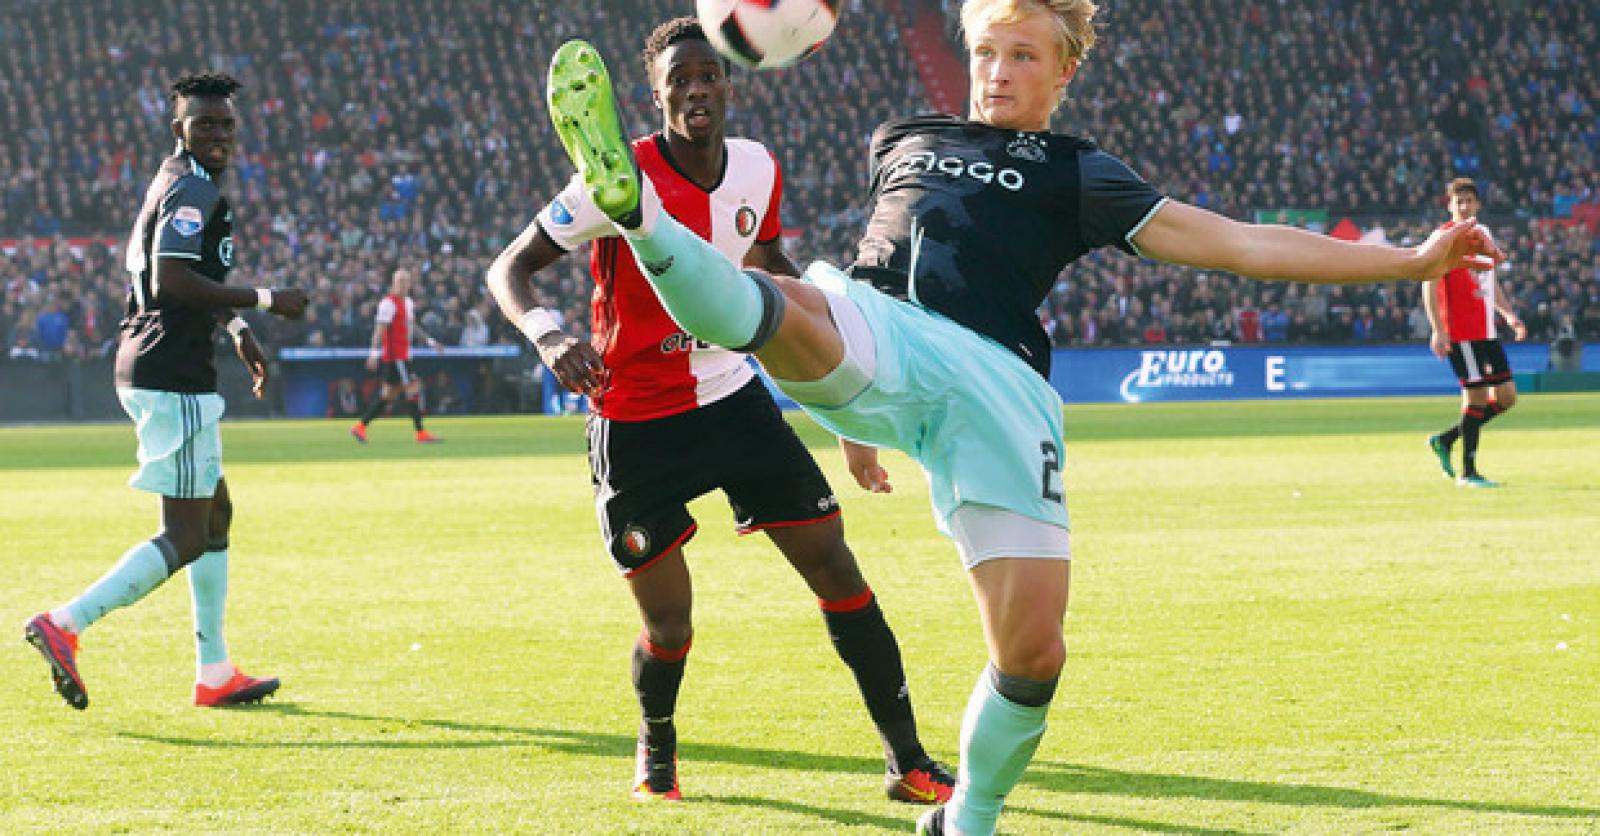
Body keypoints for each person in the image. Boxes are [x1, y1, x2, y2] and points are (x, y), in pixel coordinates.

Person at [541, 1, 1502, 831]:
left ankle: (968, 818)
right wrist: (839, 412)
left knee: (1033, 650)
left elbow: (1239, 244)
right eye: (988, 52)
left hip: (998, 386)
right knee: (784, 305)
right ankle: (644, 219)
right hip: (878, 327)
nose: (998, 72)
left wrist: (1412, 262)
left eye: (1024, 54)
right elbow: (834, 287)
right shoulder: (903, 138)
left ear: (1064, 67)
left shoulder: (1081, 172)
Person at [488, 18, 954, 806]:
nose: (697, 90)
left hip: (734, 401)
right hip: (635, 422)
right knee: (669, 624)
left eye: (709, 76)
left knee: (837, 566)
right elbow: (512, 269)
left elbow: (772, 272)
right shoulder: (614, 176)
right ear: (656, 94)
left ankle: (907, 761)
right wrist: (549, 334)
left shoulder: (756, 169)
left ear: (730, 84)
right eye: (681, 80)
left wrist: (844, 408)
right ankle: (657, 746)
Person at [23, 73, 308, 710]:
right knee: (184, 535)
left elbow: (177, 276)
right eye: (204, 123)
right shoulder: (190, 191)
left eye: (226, 124)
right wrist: (263, 301)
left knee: (216, 514)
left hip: (167, 364)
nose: (218, 135)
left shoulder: (180, 184)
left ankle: (215, 672)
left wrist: (235, 327)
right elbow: (174, 279)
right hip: (169, 371)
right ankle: (64, 624)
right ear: (177, 127)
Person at [1423, 177, 1526, 488]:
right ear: (1450, 206)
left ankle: (1447, 438)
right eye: (1459, 202)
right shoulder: (1442, 238)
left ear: (1478, 204)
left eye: (1469, 201)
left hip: (1486, 331)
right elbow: (1427, 282)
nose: (1464, 207)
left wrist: (1509, 315)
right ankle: (1468, 473)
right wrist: (1437, 329)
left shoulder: (1482, 235)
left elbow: (1489, 282)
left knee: (1506, 397)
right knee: (1477, 395)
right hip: (1461, 331)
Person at [350, 267, 442, 443]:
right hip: (395, 358)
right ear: (393, 282)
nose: (403, 284)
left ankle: (360, 426)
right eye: (400, 281)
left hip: (403, 356)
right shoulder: (388, 304)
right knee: (413, 388)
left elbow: (411, 327)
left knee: (387, 396)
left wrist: (430, 342)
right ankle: (421, 433)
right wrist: (373, 354)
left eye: (406, 281)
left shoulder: (407, 303)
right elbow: (379, 331)